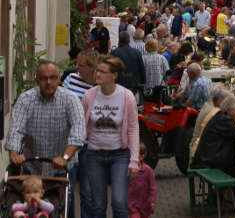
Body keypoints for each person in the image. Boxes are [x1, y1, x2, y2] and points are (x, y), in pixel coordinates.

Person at [6, 61, 85, 178]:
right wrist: (14, 154)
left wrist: (65, 157)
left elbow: (78, 132)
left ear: (59, 79)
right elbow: (16, 130)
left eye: (53, 78)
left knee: (63, 195)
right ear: (37, 81)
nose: (48, 82)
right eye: (44, 78)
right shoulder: (25, 99)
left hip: (63, 166)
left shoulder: (70, 99)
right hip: (32, 165)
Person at [82, 56, 140, 218]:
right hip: (94, 154)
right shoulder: (89, 96)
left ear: (114, 75)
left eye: (102, 71)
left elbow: (133, 129)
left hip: (119, 155)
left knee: (119, 202)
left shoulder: (126, 96)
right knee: (98, 205)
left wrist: (134, 160)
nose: (97, 74)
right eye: (97, 70)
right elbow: (81, 126)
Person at [62, 50, 98, 218]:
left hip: (89, 144)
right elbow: (60, 102)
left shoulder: (98, 87)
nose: (77, 68)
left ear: (92, 67)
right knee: (67, 187)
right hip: (69, 142)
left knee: (87, 191)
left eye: (81, 65)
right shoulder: (71, 79)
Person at [127, 142, 156, 218]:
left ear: (142, 157)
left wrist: (152, 201)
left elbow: (152, 188)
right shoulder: (128, 170)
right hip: (132, 204)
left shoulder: (148, 171)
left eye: (134, 155)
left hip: (145, 205)